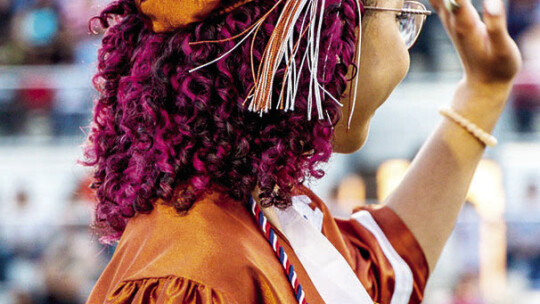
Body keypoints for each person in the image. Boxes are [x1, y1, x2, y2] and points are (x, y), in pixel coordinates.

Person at [83, 0, 521, 303]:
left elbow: (377, 276)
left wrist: (483, 93)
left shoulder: (257, 212)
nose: (405, 53)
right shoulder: (194, 274)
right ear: (322, 37)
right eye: (402, 18)